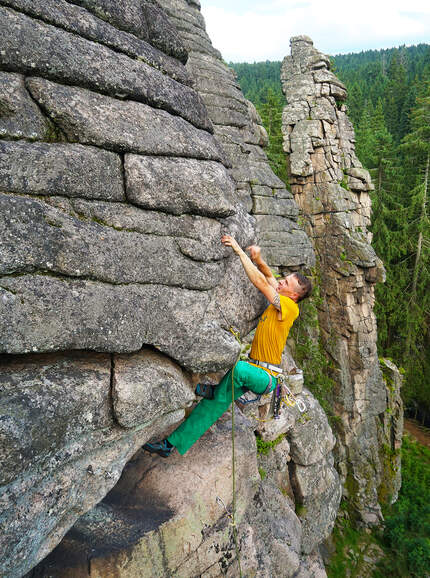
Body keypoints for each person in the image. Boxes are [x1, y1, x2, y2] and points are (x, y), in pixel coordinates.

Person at [143, 234, 312, 457]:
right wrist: (258, 259)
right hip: (256, 370)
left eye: (286, 283)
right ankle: (170, 445)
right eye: (285, 279)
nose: (281, 281)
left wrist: (240, 252)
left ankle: (213, 390)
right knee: (212, 406)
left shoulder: (290, 307)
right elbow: (269, 276)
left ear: (293, 294)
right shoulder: (281, 297)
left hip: (266, 377)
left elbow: (262, 283)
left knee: (239, 368)